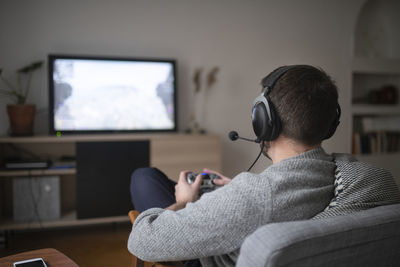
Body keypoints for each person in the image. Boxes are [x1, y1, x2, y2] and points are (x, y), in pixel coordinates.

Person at [127, 65, 400, 267]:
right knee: (155, 178)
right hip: (256, 215)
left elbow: (142, 240)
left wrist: (184, 203)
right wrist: (236, 191)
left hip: (206, 258)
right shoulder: (361, 177)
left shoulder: (256, 196)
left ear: (263, 120)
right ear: (330, 125)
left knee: (144, 177)